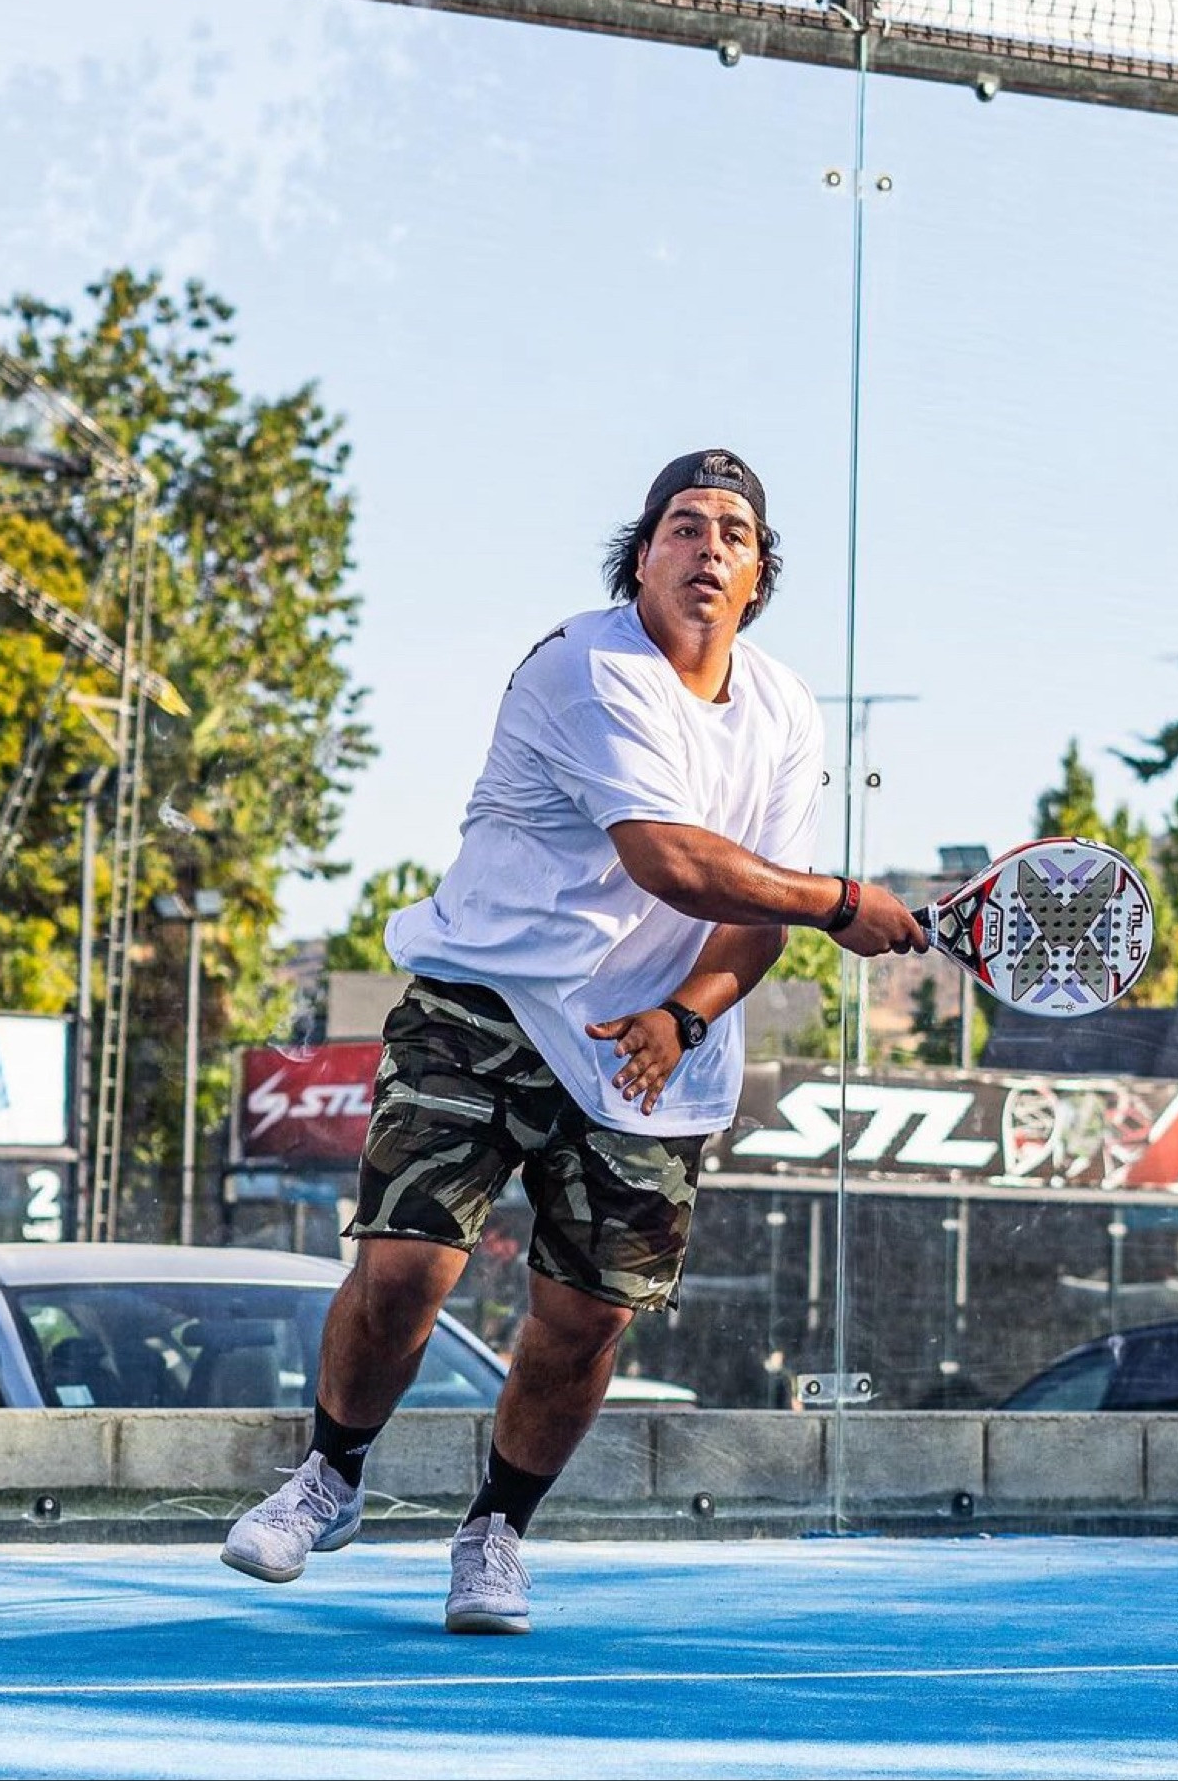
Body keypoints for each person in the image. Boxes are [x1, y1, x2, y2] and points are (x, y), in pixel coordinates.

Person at [221, 448, 926, 1631]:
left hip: (644, 1047)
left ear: (758, 576)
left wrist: (685, 1014)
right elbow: (675, 860)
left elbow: (753, 914)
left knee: (586, 1317)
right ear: (640, 557)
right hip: (482, 996)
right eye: (684, 526)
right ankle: (329, 1479)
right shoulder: (584, 664)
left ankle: (495, 1532)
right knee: (406, 1267)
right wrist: (844, 900)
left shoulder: (786, 710)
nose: (708, 547)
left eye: (734, 534)